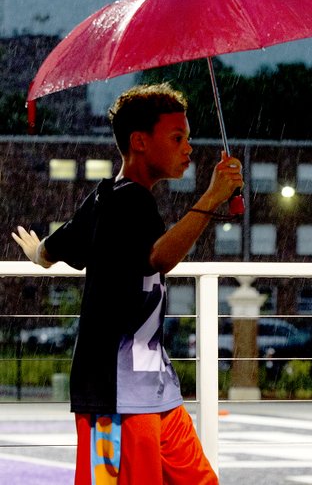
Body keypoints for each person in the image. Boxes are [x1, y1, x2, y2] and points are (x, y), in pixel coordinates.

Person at [11, 83, 243, 485]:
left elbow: (50, 252)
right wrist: (213, 196)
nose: (188, 148)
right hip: (116, 397)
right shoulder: (128, 201)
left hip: (151, 389)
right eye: (177, 137)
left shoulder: (104, 198)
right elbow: (160, 257)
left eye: (187, 137)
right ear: (139, 141)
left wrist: (37, 253)